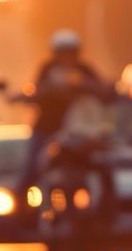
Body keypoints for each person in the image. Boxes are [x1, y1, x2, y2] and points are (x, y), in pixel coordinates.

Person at [15, 30, 113, 204]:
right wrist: (48, 93)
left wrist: (86, 86)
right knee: (32, 166)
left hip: (79, 132)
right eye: (63, 52)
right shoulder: (47, 70)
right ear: (55, 53)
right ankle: (21, 207)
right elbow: (36, 91)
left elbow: (104, 90)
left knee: (107, 163)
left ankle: (108, 206)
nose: (67, 57)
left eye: (71, 52)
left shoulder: (85, 70)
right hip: (48, 129)